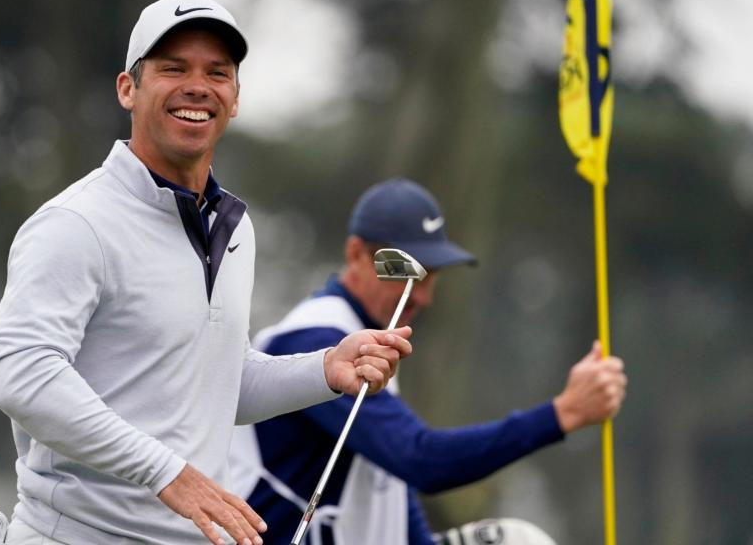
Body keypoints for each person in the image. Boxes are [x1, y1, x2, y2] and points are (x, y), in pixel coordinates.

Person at [0, 0, 413, 545]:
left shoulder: (236, 230)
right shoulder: (76, 222)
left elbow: (211, 385)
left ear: (234, 98)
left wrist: (325, 370)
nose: (197, 86)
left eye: (218, 72)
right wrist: (165, 471)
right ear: (127, 88)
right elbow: (23, 375)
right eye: (173, 68)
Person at [228, 178, 628, 544]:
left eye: (430, 276)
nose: (422, 296)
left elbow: (398, 512)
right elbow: (423, 461)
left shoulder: (369, 342)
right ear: (356, 254)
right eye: (405, 272)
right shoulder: (316, 339)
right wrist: (562, 413)